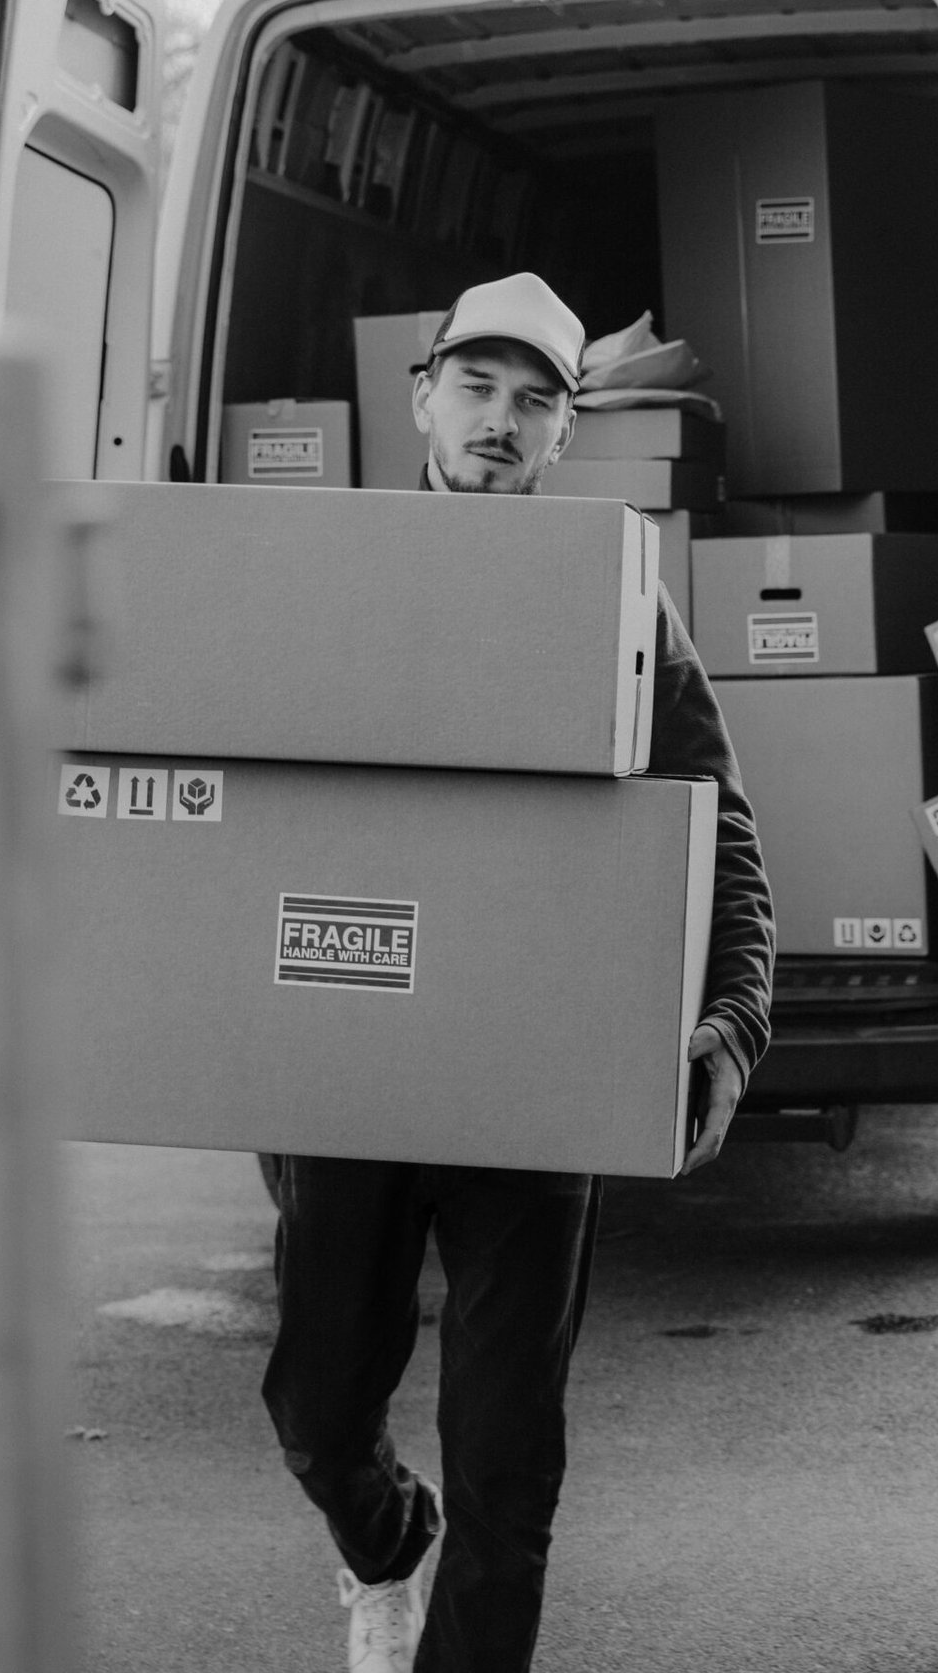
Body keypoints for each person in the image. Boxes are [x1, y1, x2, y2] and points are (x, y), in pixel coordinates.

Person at [261, 271, 773, 1673]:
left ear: (563, 440)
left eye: (533, 402)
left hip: (537, 1081)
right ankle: (383, 1542)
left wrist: (728, 1025)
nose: (499, 422)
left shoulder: (621, 609)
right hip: (350, 1069)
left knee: (506, 1455)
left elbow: (716, 826)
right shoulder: (322, 577)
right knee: (312, 1405)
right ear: (421, 395)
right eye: (476, 388)